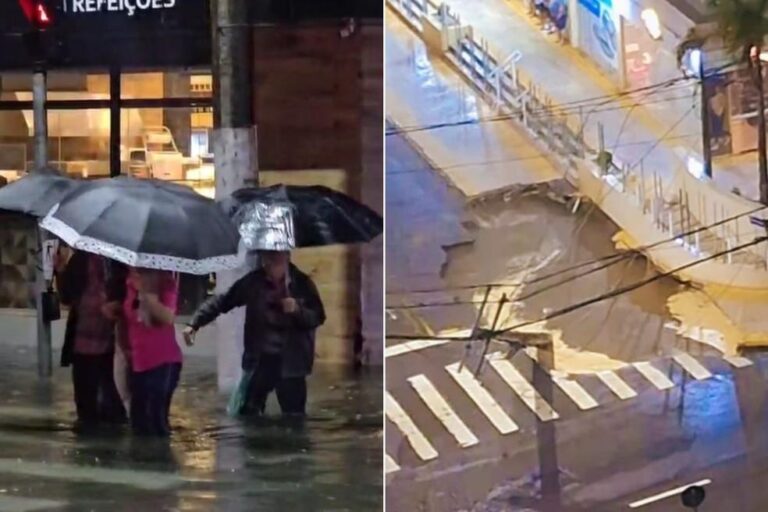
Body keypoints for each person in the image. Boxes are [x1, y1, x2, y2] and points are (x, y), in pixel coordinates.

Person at [183, 250, 325, 417]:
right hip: (260, 361)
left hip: (291, 364)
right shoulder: (254, 282)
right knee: (247, 414)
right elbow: (223, 301)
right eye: (267, 256)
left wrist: (297, 310)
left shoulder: (302, 284)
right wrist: (195, 323)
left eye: (276, 256)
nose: (270, 262)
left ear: (286, 256)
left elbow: (317, 317)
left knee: (294, 416)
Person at [56, 249, 127, 430]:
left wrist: (116, 307)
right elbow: (66, 297)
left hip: (109, 342)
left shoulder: (118, 260)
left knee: (111, 405)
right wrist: (60, 270)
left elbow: (128, 297)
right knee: (85, 405)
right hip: (82, 342)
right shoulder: (80, 259)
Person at [122, 268, 182, 437]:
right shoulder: (129, 282)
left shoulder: (165, 281)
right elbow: (127, 319)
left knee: (156, 421)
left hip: (163, 362)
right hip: (138, 361)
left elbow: (168, 317)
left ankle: (161, 460)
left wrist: (147, 296)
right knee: (138, 422)